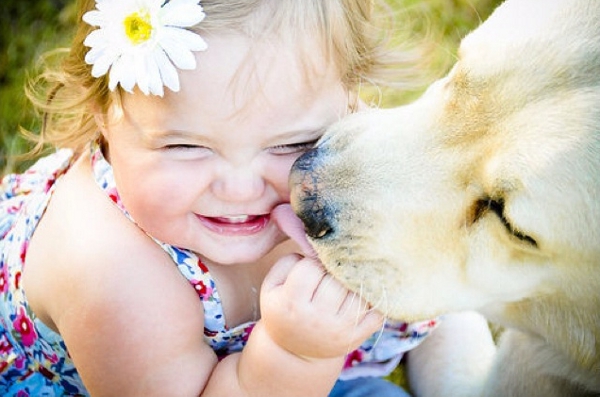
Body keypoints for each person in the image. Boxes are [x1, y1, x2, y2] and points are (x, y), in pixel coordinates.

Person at [0, 0, 437, 395]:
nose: (240, 190)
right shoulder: (110, 275)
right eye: (184, 146)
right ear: (103, 118)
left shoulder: (331, 137)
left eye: (294, 143)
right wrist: (298, 354)